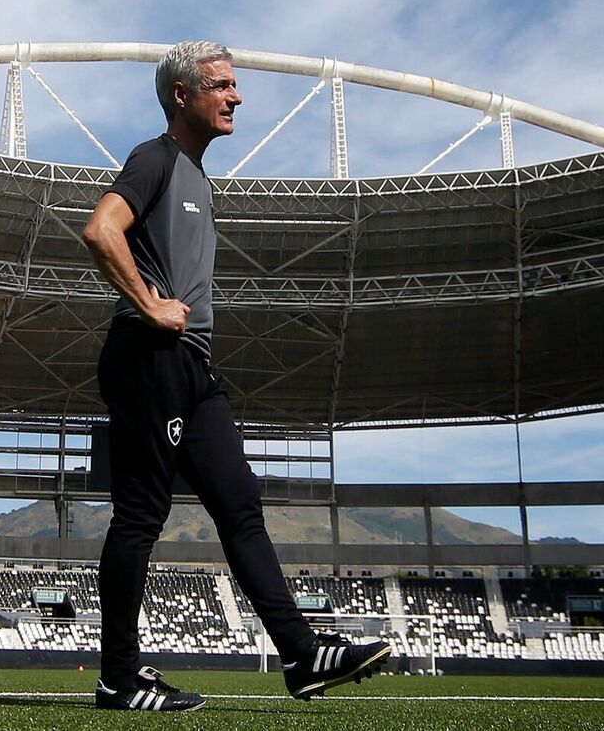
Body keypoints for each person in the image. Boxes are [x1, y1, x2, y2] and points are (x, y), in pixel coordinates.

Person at [81, 40, 390, 712]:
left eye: (233, 84)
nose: (236, 96)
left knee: (240, 506)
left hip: (192, 368)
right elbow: (101, 229)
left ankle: (302, 656)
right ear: (182, 96)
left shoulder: (196, 176)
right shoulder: (156, 158)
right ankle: (119, 679)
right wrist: (151, 305)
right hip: (147, 358)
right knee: (140, 516)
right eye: (220, 85)